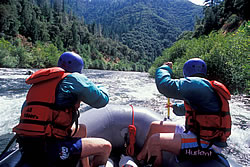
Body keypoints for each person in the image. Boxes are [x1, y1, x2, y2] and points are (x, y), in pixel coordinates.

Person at [13, 52, 112, 167]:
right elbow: (101, 101)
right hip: (49, 148)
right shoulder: (75, 79)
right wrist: (101, 87)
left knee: (82, 129)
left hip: (27, 144)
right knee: (105, 147)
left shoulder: (40, 83)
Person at [137, 58, 231, 166]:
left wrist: (165, 68)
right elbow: (192, 111)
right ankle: (141, 157)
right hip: (197, 134)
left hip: (207, 145)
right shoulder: (203, 86)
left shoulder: (196, 83)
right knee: (155, 126)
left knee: (155, 140)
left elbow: (165, 87)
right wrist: (176, 107)